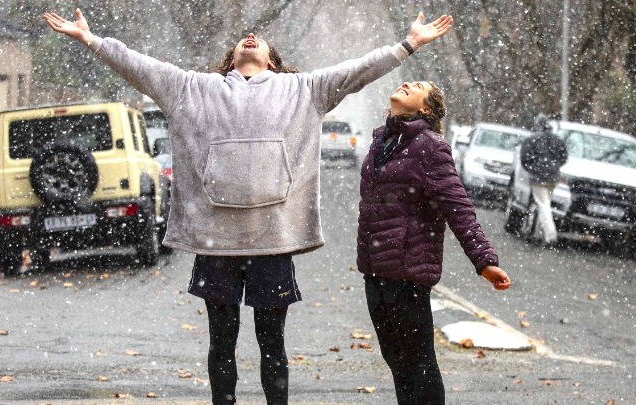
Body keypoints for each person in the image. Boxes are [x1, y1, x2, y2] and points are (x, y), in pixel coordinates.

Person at [43, 8, 453, 405]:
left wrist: (409, 44)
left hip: (271, 243)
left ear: (273, 62)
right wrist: (91, 40)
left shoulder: (304, 90)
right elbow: (138, 64)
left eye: (258, 42)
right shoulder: (192, 89)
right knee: (221, 341)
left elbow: (357, 70)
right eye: (241, 41)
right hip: (216, 243)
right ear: (231, 60)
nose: (249, 37)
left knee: (272, 341)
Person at [356, 81, 512, 405]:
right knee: (397, 361)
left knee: (419, 364)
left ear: (425, 109)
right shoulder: (382, 140)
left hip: (407, 269)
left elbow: (458, 206)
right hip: (375, 269)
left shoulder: (430, 146)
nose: (408, 83)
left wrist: (485, 260)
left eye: (418, 87)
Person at [519, 114, 568, 245]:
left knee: (543, 205)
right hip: (553, 177)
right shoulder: (558, 140)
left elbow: (524, 158)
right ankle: (539, 234)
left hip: (539, 177)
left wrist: (532, 168)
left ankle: (550, 235)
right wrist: (554, 167)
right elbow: (564, 157)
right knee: (545, 204)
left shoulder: (532, 139)